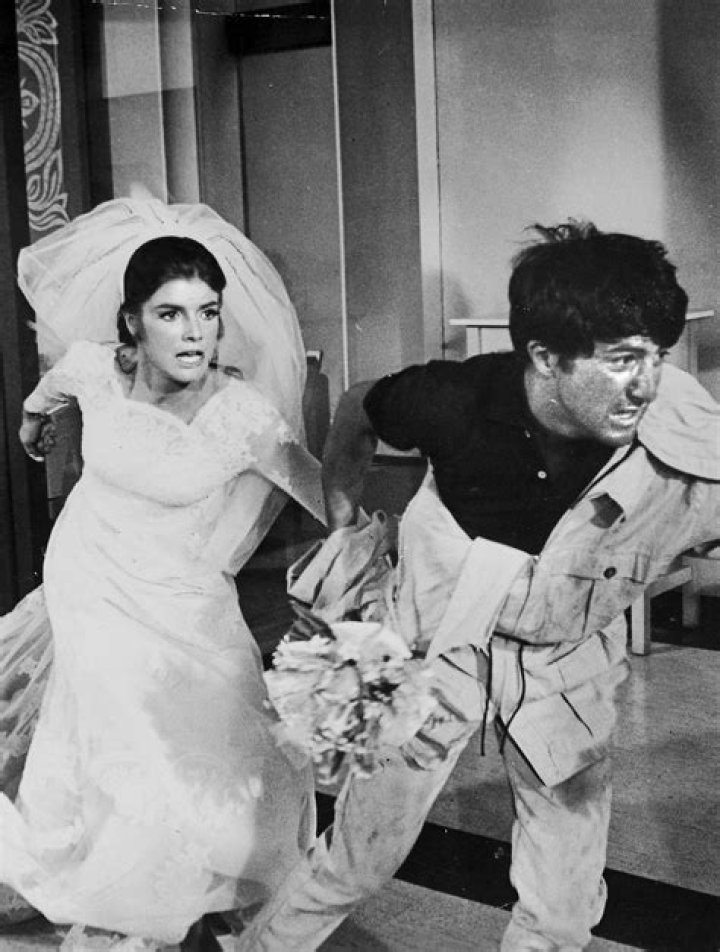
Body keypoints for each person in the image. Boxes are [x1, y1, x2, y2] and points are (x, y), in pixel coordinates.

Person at [235, 221, 720, 952]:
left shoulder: (683, 435)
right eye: (622, 360)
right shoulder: (451, 401)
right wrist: (343, 529)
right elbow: (357, 408)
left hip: (566, 660)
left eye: (657, 356)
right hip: (433, 647)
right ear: (545, 357)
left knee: (561, 911)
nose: (646, 384)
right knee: (356, 862)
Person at [0, 198, 325, 949]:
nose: (195, 333)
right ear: (132, 324)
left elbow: (321, 494)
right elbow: (42, 397)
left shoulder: (244, 414)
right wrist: (33, 425)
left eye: (207, 314)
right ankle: (124, 895)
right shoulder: (93, 369)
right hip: (91, 577)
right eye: (171, 315)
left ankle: (185, 873)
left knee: (216, 734)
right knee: (118, 722)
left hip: (187, 593)